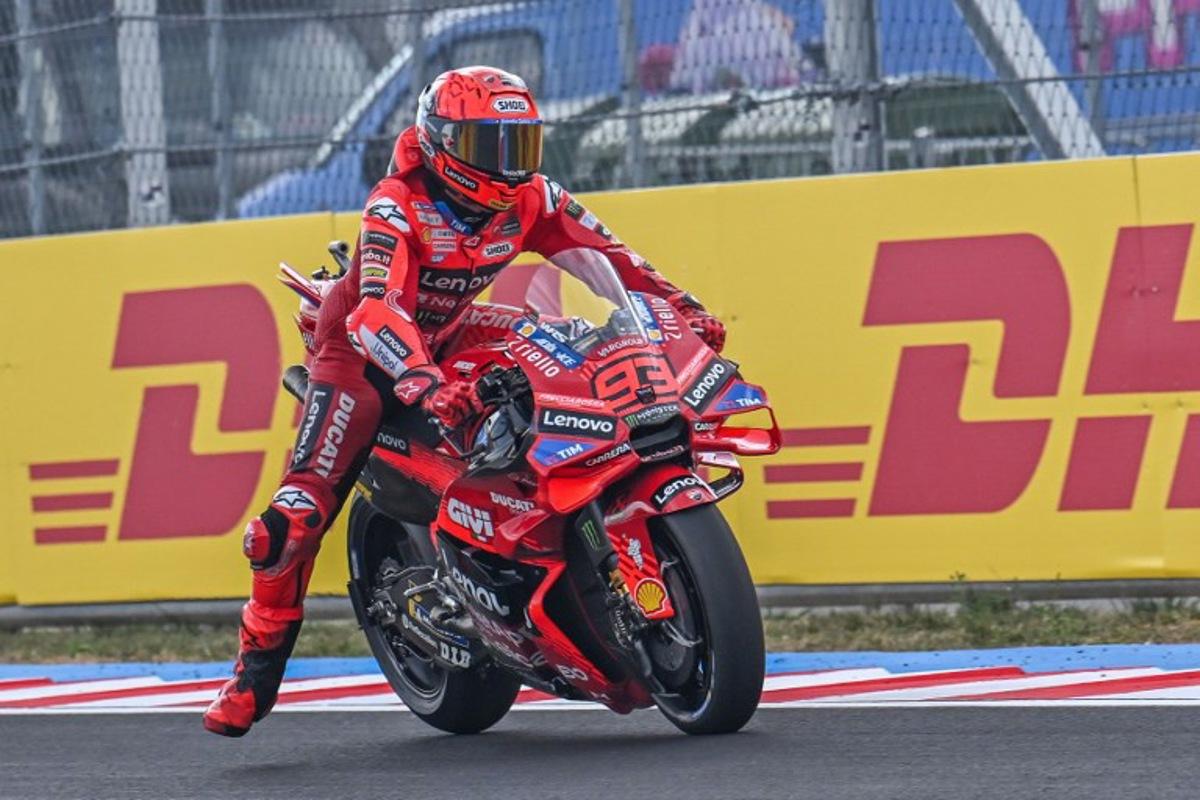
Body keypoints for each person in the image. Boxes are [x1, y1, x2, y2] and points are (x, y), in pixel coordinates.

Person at [202, 65, 726, 737]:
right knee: (292, 521)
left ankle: (539, 545)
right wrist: (423, 384)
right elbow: (375, 311)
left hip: (450, 331)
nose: (509, 168)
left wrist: (681, 310)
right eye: (490, 148)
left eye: (522, 147)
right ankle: (253, 674)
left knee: (564, 348)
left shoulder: (533, 198)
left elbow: (613, 260)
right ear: (444, 143)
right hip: (362, 360)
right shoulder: (397, 204)